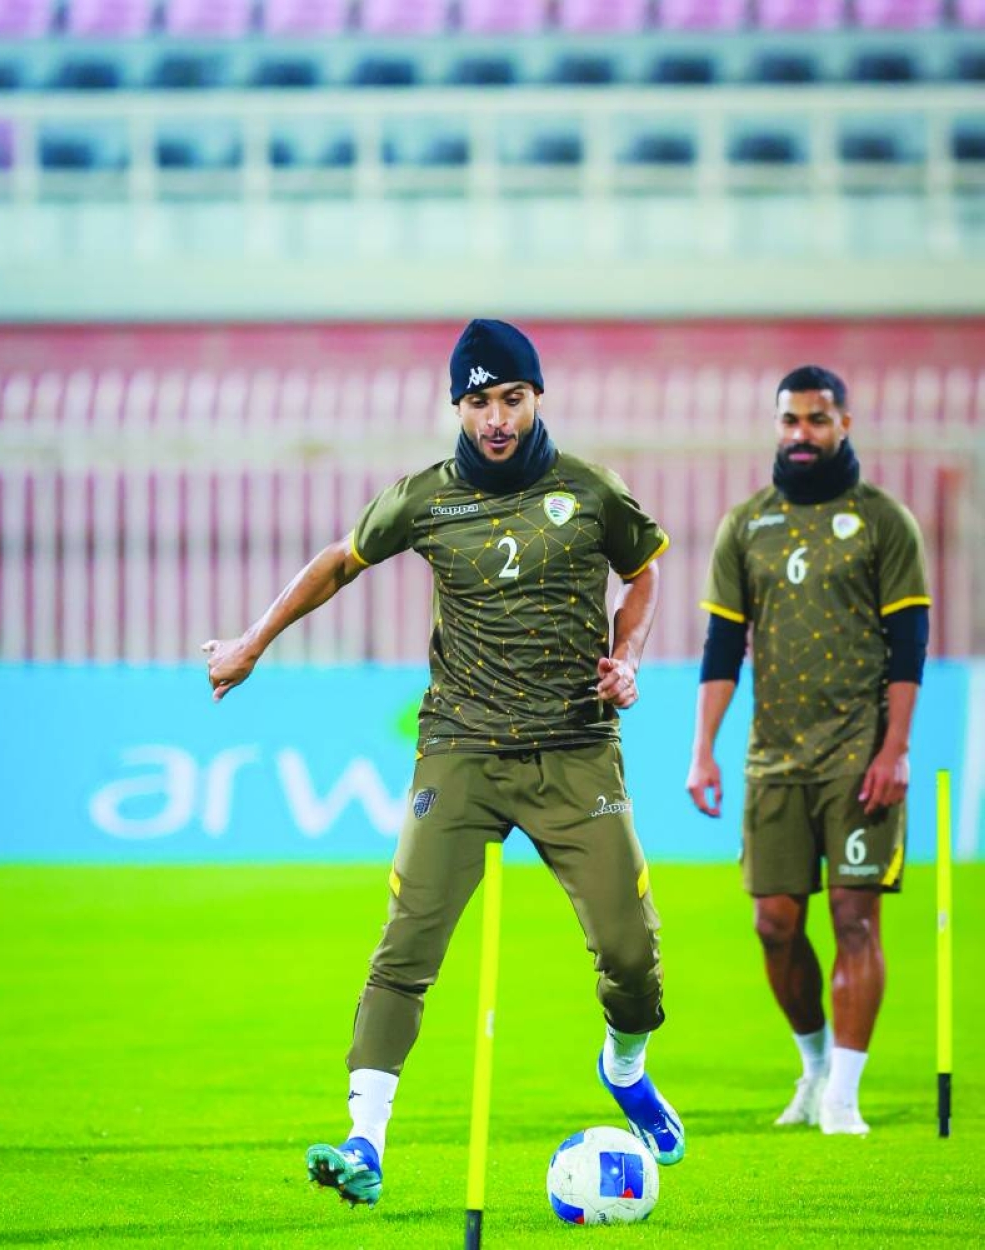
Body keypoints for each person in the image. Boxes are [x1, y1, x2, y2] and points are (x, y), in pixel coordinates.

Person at [203, 319, 683, 1206]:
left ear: (538, 397)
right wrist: (253, 642)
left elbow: (647, 565)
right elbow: (340, 561)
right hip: (459, 750)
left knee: (630, 955)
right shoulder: (426, 499)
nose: (495, 418)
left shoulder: (590, 491)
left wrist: (630, 654)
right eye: (478, 401)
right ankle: (365, 1143)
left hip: (575, 750)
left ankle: (624, 1066)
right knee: (405, 949)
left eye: (511, 398)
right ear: (457, 406)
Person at [686, 365, 931, 1137]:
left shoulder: (885, 522)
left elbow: (909, 644)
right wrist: (704, 751)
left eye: (817, 421)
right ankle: (815, 1064)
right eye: (789, 420)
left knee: (857, 921)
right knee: (774, 925)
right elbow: (723, 645)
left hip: (859, 757)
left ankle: (844, 1098)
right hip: (774, 760)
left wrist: (895, 749)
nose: (801, 435)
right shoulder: (745, 525)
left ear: (844, 426)